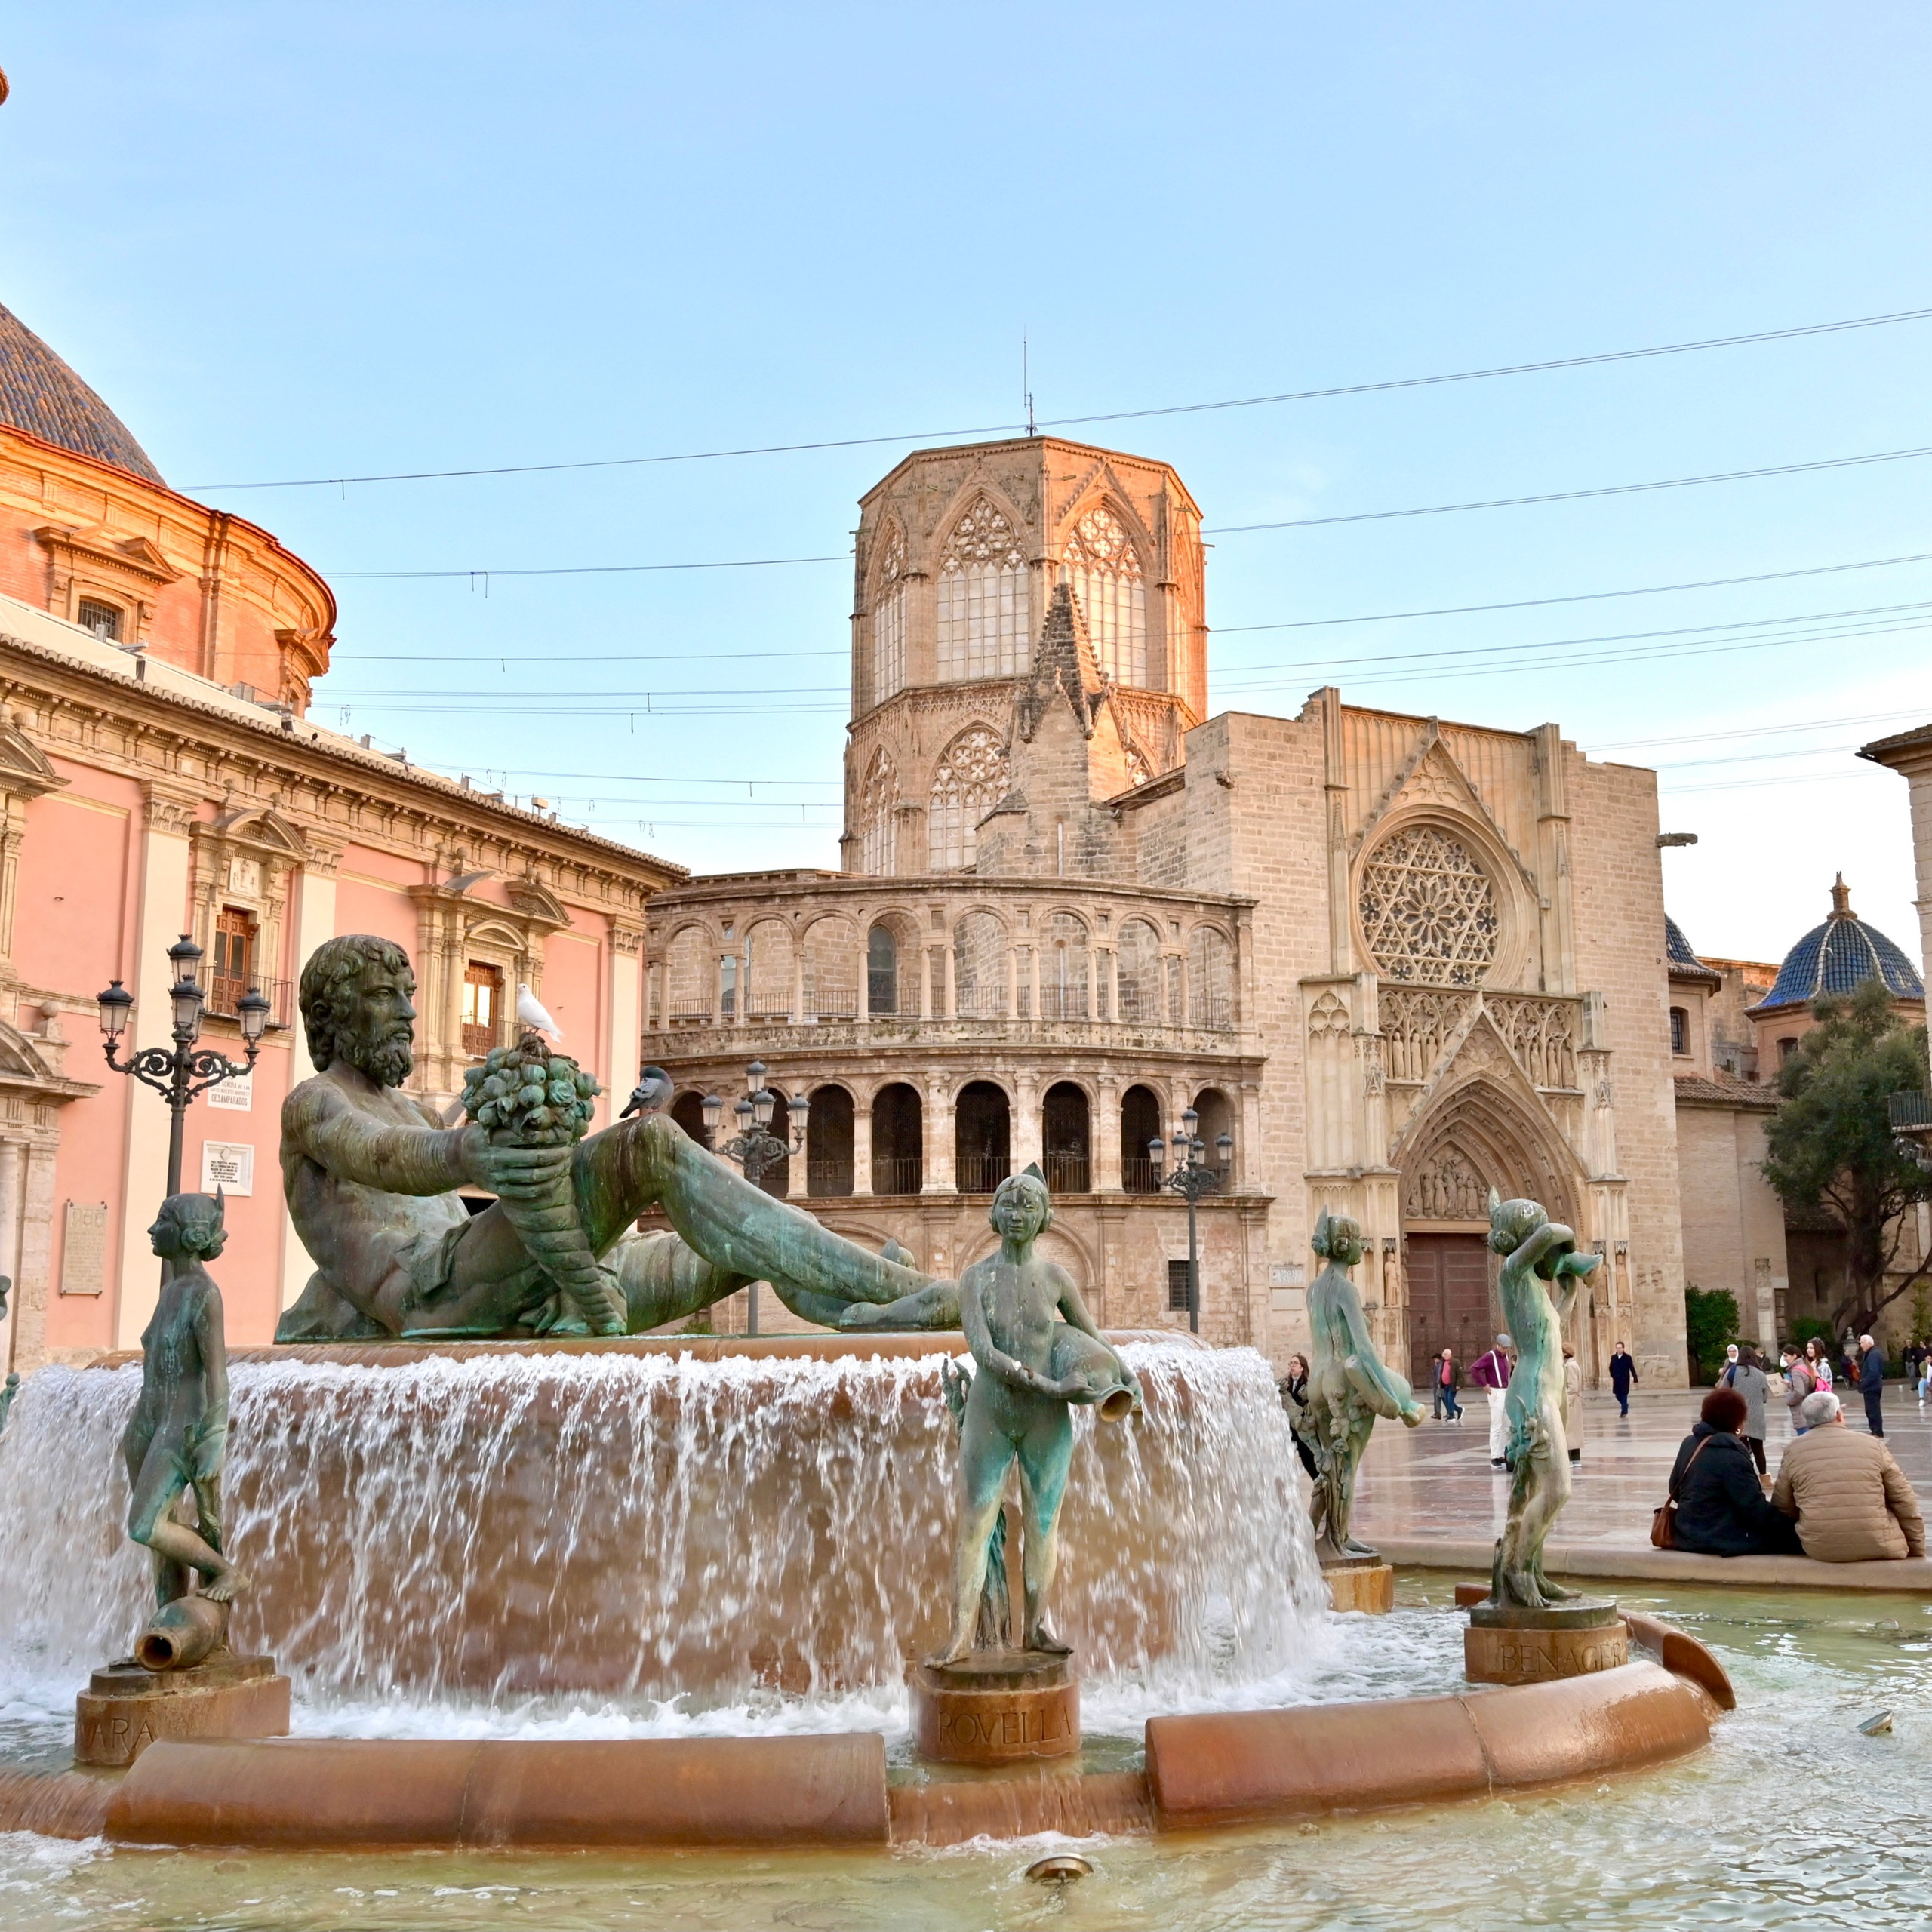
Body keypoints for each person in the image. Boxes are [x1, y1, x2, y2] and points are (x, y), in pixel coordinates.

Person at [940, 1167, 1141, 1661]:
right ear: (995, 1213)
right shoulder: (976, 1279)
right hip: (992, 1410)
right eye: (1008, 1205)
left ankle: (1035, 1627)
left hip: (1046, 1420)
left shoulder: (1055, 1278)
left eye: (1028, 1206)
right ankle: (961, 1635)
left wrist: (1125, 1371)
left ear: (1045, 1216)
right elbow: (984, 1353)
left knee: (1043, 1524)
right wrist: (1052, 1385)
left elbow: (1089, 1333)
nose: (1017, 1215)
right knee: (974, 1522)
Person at [1773, 1390, 1925, 1562]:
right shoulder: (1873, 1445)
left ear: (1808, 1420)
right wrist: (1917, 1550)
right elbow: (1904, 1500)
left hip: (1821, 1547)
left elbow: (1782, 1506)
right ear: (1839, 1414)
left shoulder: (1793, 1450)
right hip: (1881, 1543)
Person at [1663, 1387, 1802, 1556]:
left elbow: (1675, 1490)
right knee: (1797, 1542)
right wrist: (1792, 1525)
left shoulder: (1690, 1443)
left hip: (1685, 1533)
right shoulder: (1732, 1456)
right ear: (1737, 1420)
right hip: (1720, 1537)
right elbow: (1754, 1509)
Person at [1723, 1346, 1770, 1476]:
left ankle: (1744, 1475)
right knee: (1758, 1449)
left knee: (1741, 1449)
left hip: (1738, 1417)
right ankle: (1764, 1476)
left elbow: (1723, 1391)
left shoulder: (1732, 1372)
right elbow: (1765, 1396)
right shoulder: (1761, 1374)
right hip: (1756, 1416)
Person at [1469, 1334, 1513, 1469]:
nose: (1505, 1351)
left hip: (1506, 1391)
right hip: (1496, 1392)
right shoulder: (1490, 1356)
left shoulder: (1505, 1356)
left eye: (1507, 1348)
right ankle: (1494, 1456)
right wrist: (1484, 1384)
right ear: (1498, 1345)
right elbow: (1474, 1368)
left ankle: (1502, 1454)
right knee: (1496, 1425)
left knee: (1506, 1426)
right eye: (1504, 1348)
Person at [1279, 1353, 1319, 1479]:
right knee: (1282, 1457)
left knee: (1307, 1457)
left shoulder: (1307, 1384)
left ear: (1302, 1367)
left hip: (1302, 1426)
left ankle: (1318, 1480)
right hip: (1288, 1428)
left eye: (1295, 1363)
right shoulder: (1285, 1384)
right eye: (1291, 1363)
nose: (1292, 1366)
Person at [1857, 1334, 1887, 1437]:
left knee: (1873, 1410)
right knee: (1870, 1410)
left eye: (1862, 1342)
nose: (1861, 1345)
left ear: (1869, 1343)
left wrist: (1863, 1382)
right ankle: (1875, 1430)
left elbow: (1874, 1372)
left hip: (1872, 1387)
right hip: (1872, 1387)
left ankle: (1877, 1432)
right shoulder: (1872, 1353)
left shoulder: (1873, 1354)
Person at [1780, 1346, 1815, 1433]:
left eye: (1786, 1356)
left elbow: (1799, 1392)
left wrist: (1790, 1401)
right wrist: (1789, 1384)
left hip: (1801, 1414)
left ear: (1794, 1356)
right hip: (1809, 1411)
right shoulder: (1804, 1366)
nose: (1784, 1359)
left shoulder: (1796, 1371)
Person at [1561, 1346, 1583, 1464]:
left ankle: (1572, 1459)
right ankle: (1575, 1459)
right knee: (1572, 1432)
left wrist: (1566, 1401)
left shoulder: (1570, 1366)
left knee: (1570, 1431)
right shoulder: (1570, 1365)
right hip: (1573, 1402)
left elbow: (1573, 1387)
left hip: (1572, 1402)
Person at [1432, 1348, 1463, 1422]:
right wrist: (1440, 1383)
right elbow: (1440, 1373)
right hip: (1444, 1385)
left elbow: (1460, 1374)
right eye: (1443, 1354)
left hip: (1452, 1385)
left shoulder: (1455, 1362)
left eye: (1446, 1354)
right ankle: (1459, 1410)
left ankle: (1451, 1416)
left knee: (1450, 1399)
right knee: (1446, 1400)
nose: (1444, 1356)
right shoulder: (1443, 1362)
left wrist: (1459, 1384)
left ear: (1450, 1354)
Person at [1609, 1341, 1637, 1417]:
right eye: (1617, 1348)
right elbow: (1611, 1367)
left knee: (1624, 1395)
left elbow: (1632, 1368)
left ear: (1623, 1348)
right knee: (1617, 1395)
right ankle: (1625, 1406)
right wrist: (1613, 1375)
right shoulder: (1613, 1357)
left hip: (1624, 1379)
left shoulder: (1627, 1357)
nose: (1618, 1349)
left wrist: (1635, 1377)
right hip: (1617, 1379)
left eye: (1620, 1348)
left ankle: (1624, 1411)